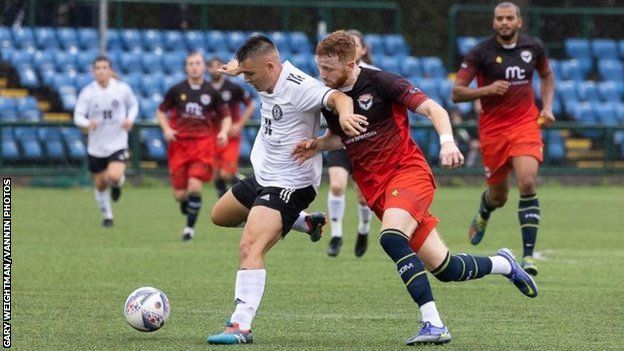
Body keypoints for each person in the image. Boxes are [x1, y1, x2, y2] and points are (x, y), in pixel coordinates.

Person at [293, 30, 538, 346]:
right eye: (319, 68)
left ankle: (433, 324)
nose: (322, 75)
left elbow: (434, 108)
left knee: (392, 239)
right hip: (378, 191)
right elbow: (343, 136)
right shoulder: (330, 97)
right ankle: (505, 264)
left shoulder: (382, 82)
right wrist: (317, 144)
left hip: (407, 174)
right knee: (446, 267)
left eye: (328, 69)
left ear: (351, 63)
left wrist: (447, 142)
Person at [205, 34, 366, 345]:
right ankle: (305, 222)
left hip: (291, 184)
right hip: (263, 175)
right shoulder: (265, 74)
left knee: (250, 248)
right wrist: (238, 67)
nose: (248, 80)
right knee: (219, 216)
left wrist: (345, 114)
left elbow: (338, 99)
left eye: (251, 74)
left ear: (270, 66)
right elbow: (253, 55)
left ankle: (240, 325)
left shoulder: (300, 87)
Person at [451, 1, 555, 276]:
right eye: (500, 19)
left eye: (510, 18)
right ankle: (485, 210)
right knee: (499, 196)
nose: (504, 23)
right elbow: (457, 92)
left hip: (525, 124)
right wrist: (486, 90)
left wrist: (547, 107)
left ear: (519, 22)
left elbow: (546, 76)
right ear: (494, 22)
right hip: (493, 131)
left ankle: (529, 256)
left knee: (528, 181)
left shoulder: (533, 47)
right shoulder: (480, 52)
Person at [157, 52, 232, 241]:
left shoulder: (211, 92)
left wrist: (223, 132)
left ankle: (189, 229)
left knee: (194, 186)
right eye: (191, 63)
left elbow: (226, 116)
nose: (194, 67)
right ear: (186, 67)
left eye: (198, 63)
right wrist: (166, 129)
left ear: (204, 67)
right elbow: (161, 111)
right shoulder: (176, 90)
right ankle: (186, 205)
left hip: (202, 144)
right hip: (179, 145)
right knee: (180, 195)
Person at [325, 29, 376, 258]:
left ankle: (363, 229)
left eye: (355, 44)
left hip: (365, 144)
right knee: (336, 185)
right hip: (341, 141)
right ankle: (336, 235)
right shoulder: (333, 75)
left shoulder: (375, 76)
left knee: (363, 195)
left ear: (363, 50)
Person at [73, 56, 138, 228]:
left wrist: (129, 119)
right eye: (98, 68)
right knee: (100, 183)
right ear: (93, 72)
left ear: (110, 70)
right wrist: (88, 123)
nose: (102, 71)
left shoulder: (122, 89)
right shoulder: (88, 92)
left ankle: (117, 184)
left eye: (105, 68)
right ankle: (108, 216)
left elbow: (133, 105)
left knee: (114, 176)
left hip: (117, 142)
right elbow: (77, 115)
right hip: (96, 147)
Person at [207, 57, 257, 198]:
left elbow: (251, 105)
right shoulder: (206, 89)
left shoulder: (233, 88)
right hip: (212, 135)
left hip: (230, 135)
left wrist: (239, 124)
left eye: (218, 65)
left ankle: (250, 187)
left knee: (226, 173)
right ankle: (225, 207)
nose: (215, 69)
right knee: (216, 173)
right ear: (208, 69)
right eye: (212, 66)